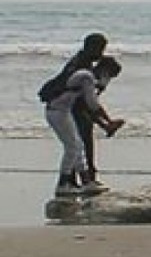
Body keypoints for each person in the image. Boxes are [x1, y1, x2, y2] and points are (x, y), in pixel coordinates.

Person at [44, 57, 125, 196]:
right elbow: (92, 104)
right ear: (105, 71)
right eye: (110, 76)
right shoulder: (86, 78)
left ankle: (86, 181)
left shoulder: (87, 77)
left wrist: (106, 124)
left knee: (78, 145)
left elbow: (88, 105)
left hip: (64, 111)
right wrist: (109, 122)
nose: (109, 80)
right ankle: (63, 184)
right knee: (72, 147)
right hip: (56, 112)